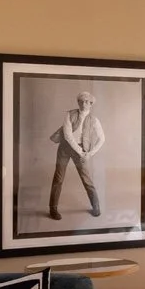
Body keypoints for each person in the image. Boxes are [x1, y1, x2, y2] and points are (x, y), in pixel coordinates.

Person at [48, 90, 105, 220]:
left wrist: (90, 154)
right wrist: (81, 152)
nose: (84, 103)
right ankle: (53, 209)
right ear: (78, 102)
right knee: (58, 178)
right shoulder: (69, 114)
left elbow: (102, 139)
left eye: (87, 101)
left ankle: (96, 206)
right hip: (65, 148)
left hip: (83, 150)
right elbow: (67, 136)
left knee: (86, 180)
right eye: (81, 101)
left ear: (91, 104)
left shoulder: (94, 120)